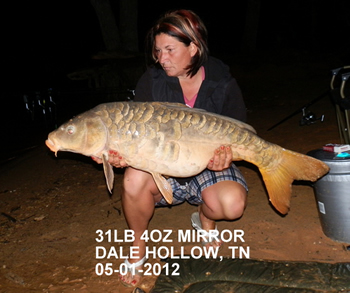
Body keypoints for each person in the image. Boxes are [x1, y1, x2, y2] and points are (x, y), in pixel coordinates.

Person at [95, 9, 248, 287]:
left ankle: (204, 218)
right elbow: (135, 136)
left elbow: (237, 133)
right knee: (131, 179)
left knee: (231, 205)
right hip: (160, 165)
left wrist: (226, 158)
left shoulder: (223, 83)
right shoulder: (151, 82)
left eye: (169, 50)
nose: (161, 59)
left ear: (194, 47)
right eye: (157, 51)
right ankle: (139, 244)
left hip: (204, 164)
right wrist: (121, 155)